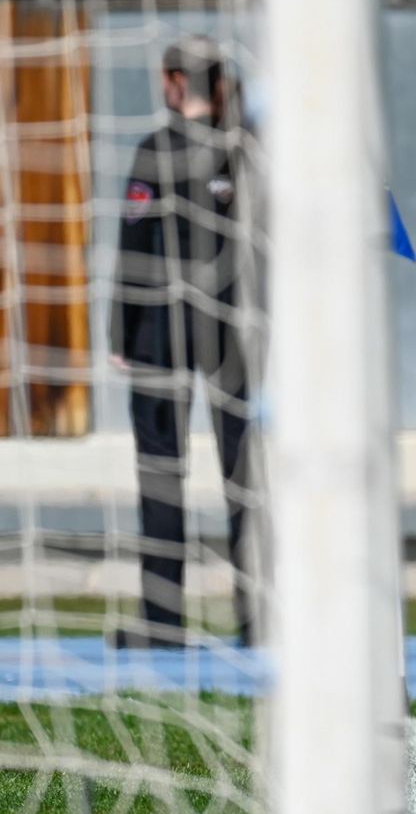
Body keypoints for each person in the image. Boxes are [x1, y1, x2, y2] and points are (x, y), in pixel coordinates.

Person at [111, 35, 256, 649]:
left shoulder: (155, 152)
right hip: (230, 329)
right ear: (219, 86)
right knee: (246, 475)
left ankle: (163, 620)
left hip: (159, 332)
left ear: (174, 83)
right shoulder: (242, 154)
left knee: (161, 472)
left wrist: (118, 332)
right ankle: (259, 617)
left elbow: (132, 250)